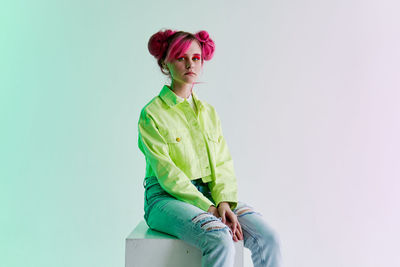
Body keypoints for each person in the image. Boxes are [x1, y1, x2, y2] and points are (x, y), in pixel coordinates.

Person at [138, 28, 283, 267]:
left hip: (212, 196)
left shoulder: (209, 113)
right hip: (164, 199)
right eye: (180, 58)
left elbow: (222, 163)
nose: (190, 64)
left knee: (269, 238)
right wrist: (209, 208)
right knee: (219, 238)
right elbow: (167, 174)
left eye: (196, 58)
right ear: (165, 63)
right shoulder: (152, 114)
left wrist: (224, 202)